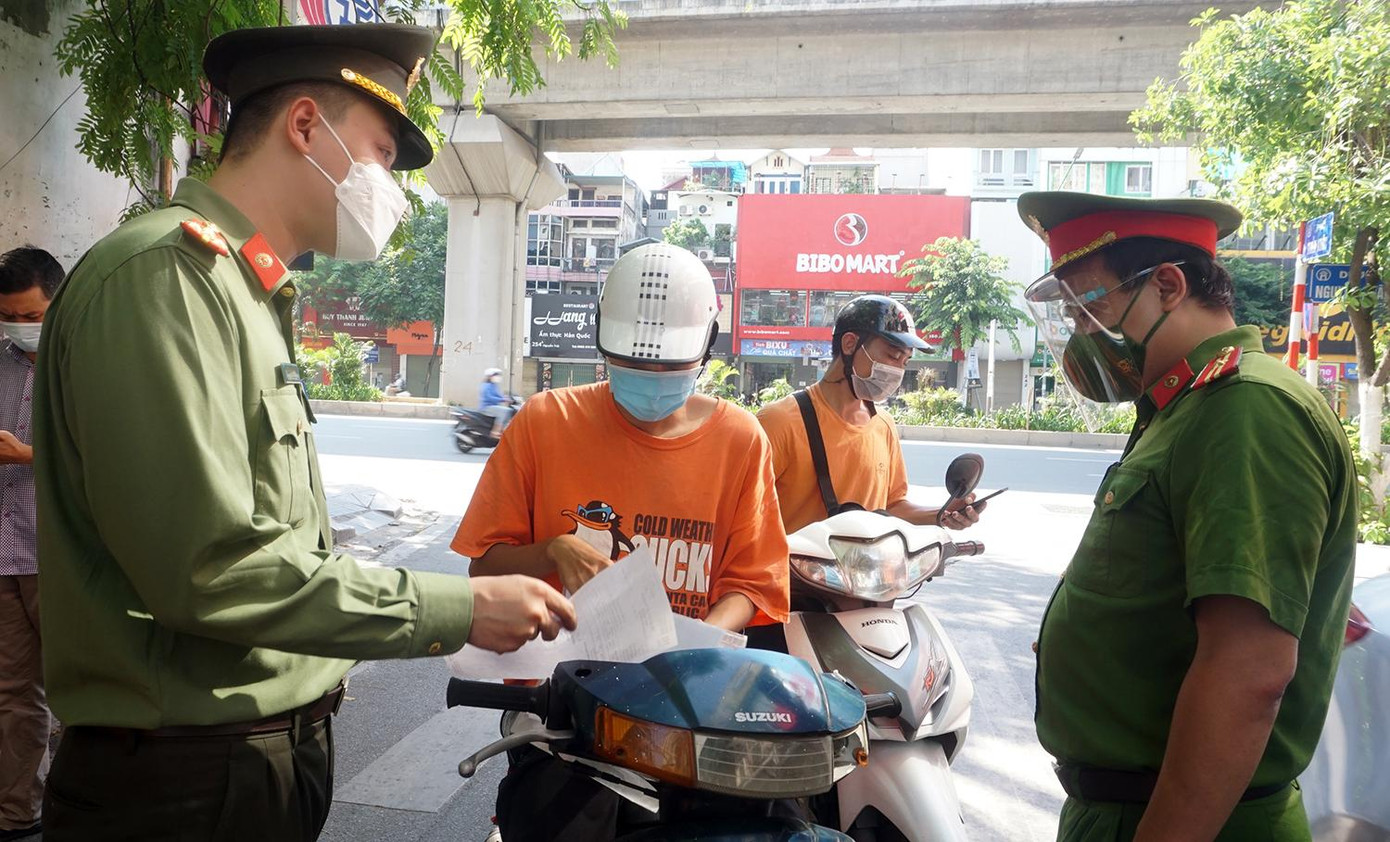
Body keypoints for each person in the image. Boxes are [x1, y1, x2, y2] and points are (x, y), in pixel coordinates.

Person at [31, 24, 575, 842]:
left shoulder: (247, 294)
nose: (392, 187)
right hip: (182, 781)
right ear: (306, 126)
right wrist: (456, 609)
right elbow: (213, 570)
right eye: (383, 153)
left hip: (249, 767)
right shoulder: (165, 280)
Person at [1020, 191, 1356, 841]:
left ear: (1168, 285)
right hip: (1125, 808)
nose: (1083, 332)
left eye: (1089, 304)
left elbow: (1249, 670)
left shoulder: (1247, 409)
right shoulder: (1182, 409)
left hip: (1184, 821)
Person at [452, 242, 791, 841]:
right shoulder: (543, 423)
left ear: (706, 349)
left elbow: (753, 583)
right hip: (563, 720)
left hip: (690, 719)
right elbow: (485, 567)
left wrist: (689, 659)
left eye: (671, 370)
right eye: (635, 369)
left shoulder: (741, 441)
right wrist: (551, 550)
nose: (653, 386)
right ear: (604, 350)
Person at [757, 295, 982, 536]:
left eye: (905, 362)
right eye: (893, 356)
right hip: (794, 572)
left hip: (866, 571)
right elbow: (745, 512)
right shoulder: (779, 421)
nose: (897, 370)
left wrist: (942, 515)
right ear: (850, 344)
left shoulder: (883, 425)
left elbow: (893, 505)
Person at [0, 247, 62, 842]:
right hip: (3, 555)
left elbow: (109, 460)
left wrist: (27, 455)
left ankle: (97, 808)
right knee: (14, 694)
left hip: (60, 557)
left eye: (33, 314)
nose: (21, 326)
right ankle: (18, 813)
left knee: (80, 687)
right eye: (10, 315)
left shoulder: (87, 365)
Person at [479, 367, 515, 438]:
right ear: (490, 376)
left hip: (493, 406)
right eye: (495, 375)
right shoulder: (486, 386)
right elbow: (489, 397)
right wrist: (502, 400)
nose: (497, 377)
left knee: (509, 411)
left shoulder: (494, 385)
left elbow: (498, 395)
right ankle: (495, 431)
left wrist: (506, 398)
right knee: (504, 411)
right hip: (486, 407)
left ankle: (503, 429)